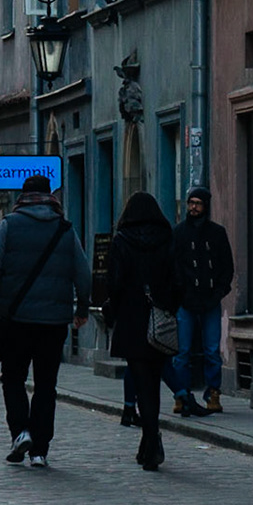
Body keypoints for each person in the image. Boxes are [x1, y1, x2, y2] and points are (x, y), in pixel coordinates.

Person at [0, 174, 92, 469]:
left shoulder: (8, 225)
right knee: (46, 384)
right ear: (50, 196)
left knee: (13, 378)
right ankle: (40, 450)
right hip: (54, 322)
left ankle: (21, 432)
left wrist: (2, 301)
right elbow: (83, 273)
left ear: (23, 196)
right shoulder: (65, 229)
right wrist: (82, 306)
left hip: (17, 319)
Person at [104, 192, 176, 471]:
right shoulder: (167, 238)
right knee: (154, 382)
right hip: (159, 319)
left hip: (131, 319)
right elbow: (178, 279)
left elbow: (114, 282)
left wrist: (117, 309)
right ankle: (150, 440)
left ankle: (151, 440)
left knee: (141, 380)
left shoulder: (122, 240)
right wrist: (168, 305)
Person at [168, 185, 233, 417]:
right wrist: (180, 293)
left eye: (198, 203)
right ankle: (181, 394)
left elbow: (227, 266)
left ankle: (213, 392)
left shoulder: (217, 233)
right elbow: (172, 267)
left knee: (212, 350)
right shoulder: (178, 233)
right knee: (182, 351)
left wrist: (219, 292)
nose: (193, 207)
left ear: (206, 206)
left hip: (210, 300)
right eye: (191, 203)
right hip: (185, 301)